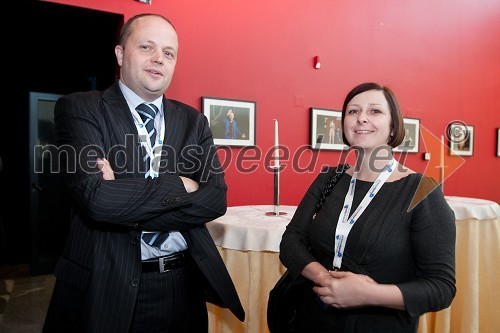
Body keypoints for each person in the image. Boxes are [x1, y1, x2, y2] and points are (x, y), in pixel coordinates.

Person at [43, 13, 244, 333]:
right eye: (146, 47)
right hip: (107, 285)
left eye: (168, 53)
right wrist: (181, 184)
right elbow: (97, 202)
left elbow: (215, 200)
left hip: (183, 286)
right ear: (121, 53)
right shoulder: (81, 108)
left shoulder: (194, 121)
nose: (158, 59)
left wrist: (122, 192)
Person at [278, 82, 456, 332]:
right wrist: (325, 279)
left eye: (375, 111)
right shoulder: (329, 179)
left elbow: (441, 288)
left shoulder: (423, 192)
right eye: (353, 111)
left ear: (393, 126)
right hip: (311, 320)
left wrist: (368, 294)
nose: (361, 118)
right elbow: (291, 241)